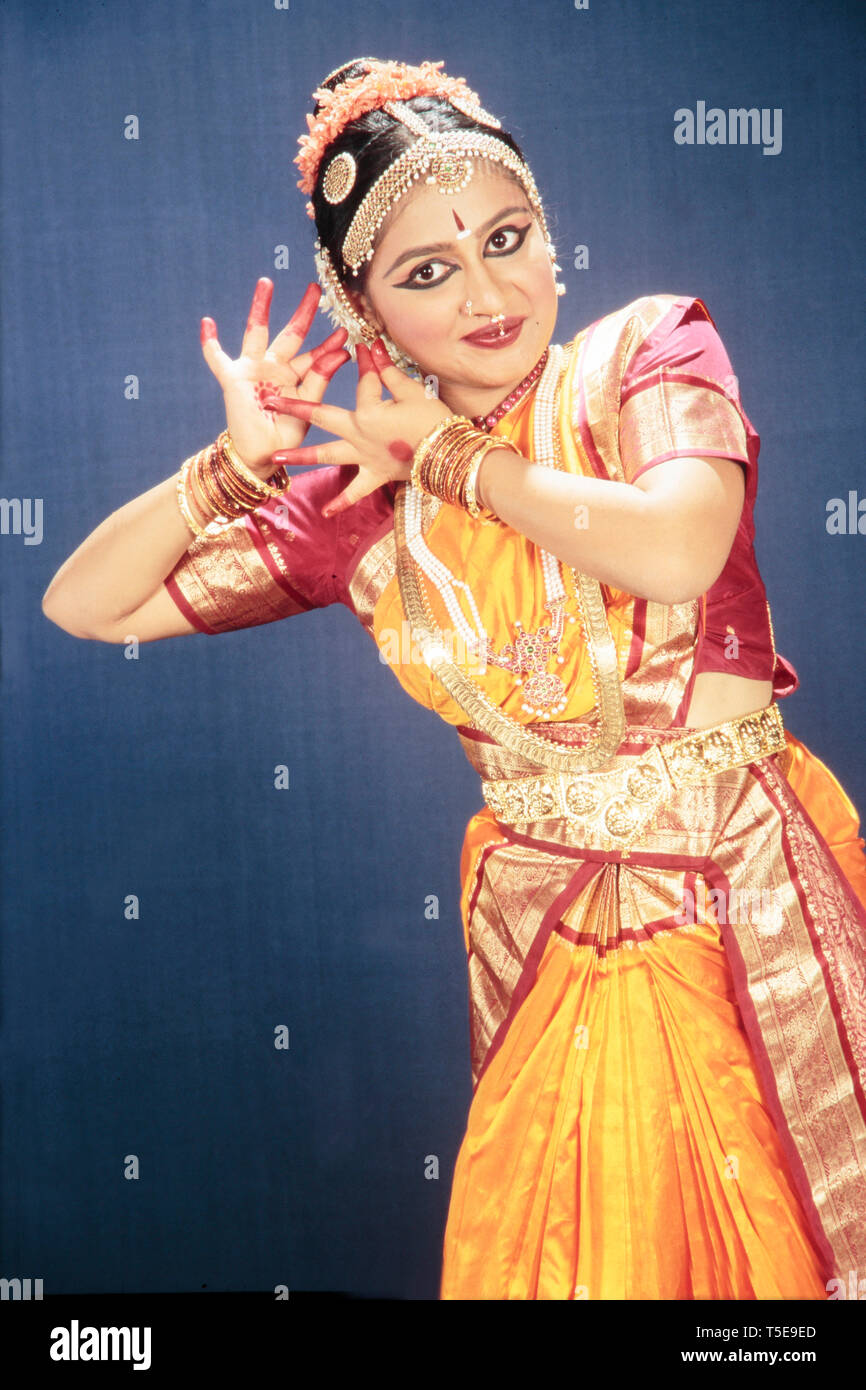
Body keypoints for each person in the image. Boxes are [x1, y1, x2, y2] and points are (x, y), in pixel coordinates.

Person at [42, 57, 866, 1301]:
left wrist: (449, 459)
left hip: (747, 902)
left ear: (547, 235)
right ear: (365, 313)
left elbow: (675, 544)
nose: (487, 292)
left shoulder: (648, 351)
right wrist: (229, 464)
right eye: (427, 272)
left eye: (505, 238)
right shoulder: (358, 502)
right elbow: (82, 603)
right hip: (551, 941)